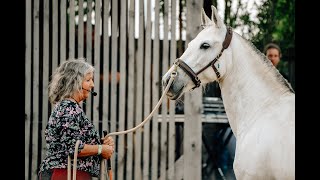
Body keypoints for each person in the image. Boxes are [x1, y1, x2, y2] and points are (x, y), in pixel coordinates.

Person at [38, 58, 115, 180]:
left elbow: (74, 141)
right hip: (64, 174)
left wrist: (102, 144)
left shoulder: (70, 107)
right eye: (88, 80)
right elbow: (72, 147)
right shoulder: (68, 108)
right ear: (75, 83)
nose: (92, 84)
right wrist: (100, 149)